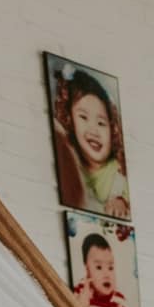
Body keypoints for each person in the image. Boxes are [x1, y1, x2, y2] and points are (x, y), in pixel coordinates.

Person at [53, 66, 130, 217]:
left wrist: (122, 201)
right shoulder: (72, 168)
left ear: (112, 129)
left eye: (101, 123)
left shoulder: (119, 171)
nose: (94, 130)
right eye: (83, 117)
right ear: (70, 121)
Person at [74, 234, 141, 307]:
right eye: (99, 267)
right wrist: (83, 302)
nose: (107, 274)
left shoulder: (119, 302)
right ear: (87, 269)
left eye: (111, 268)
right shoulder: (82, 290)